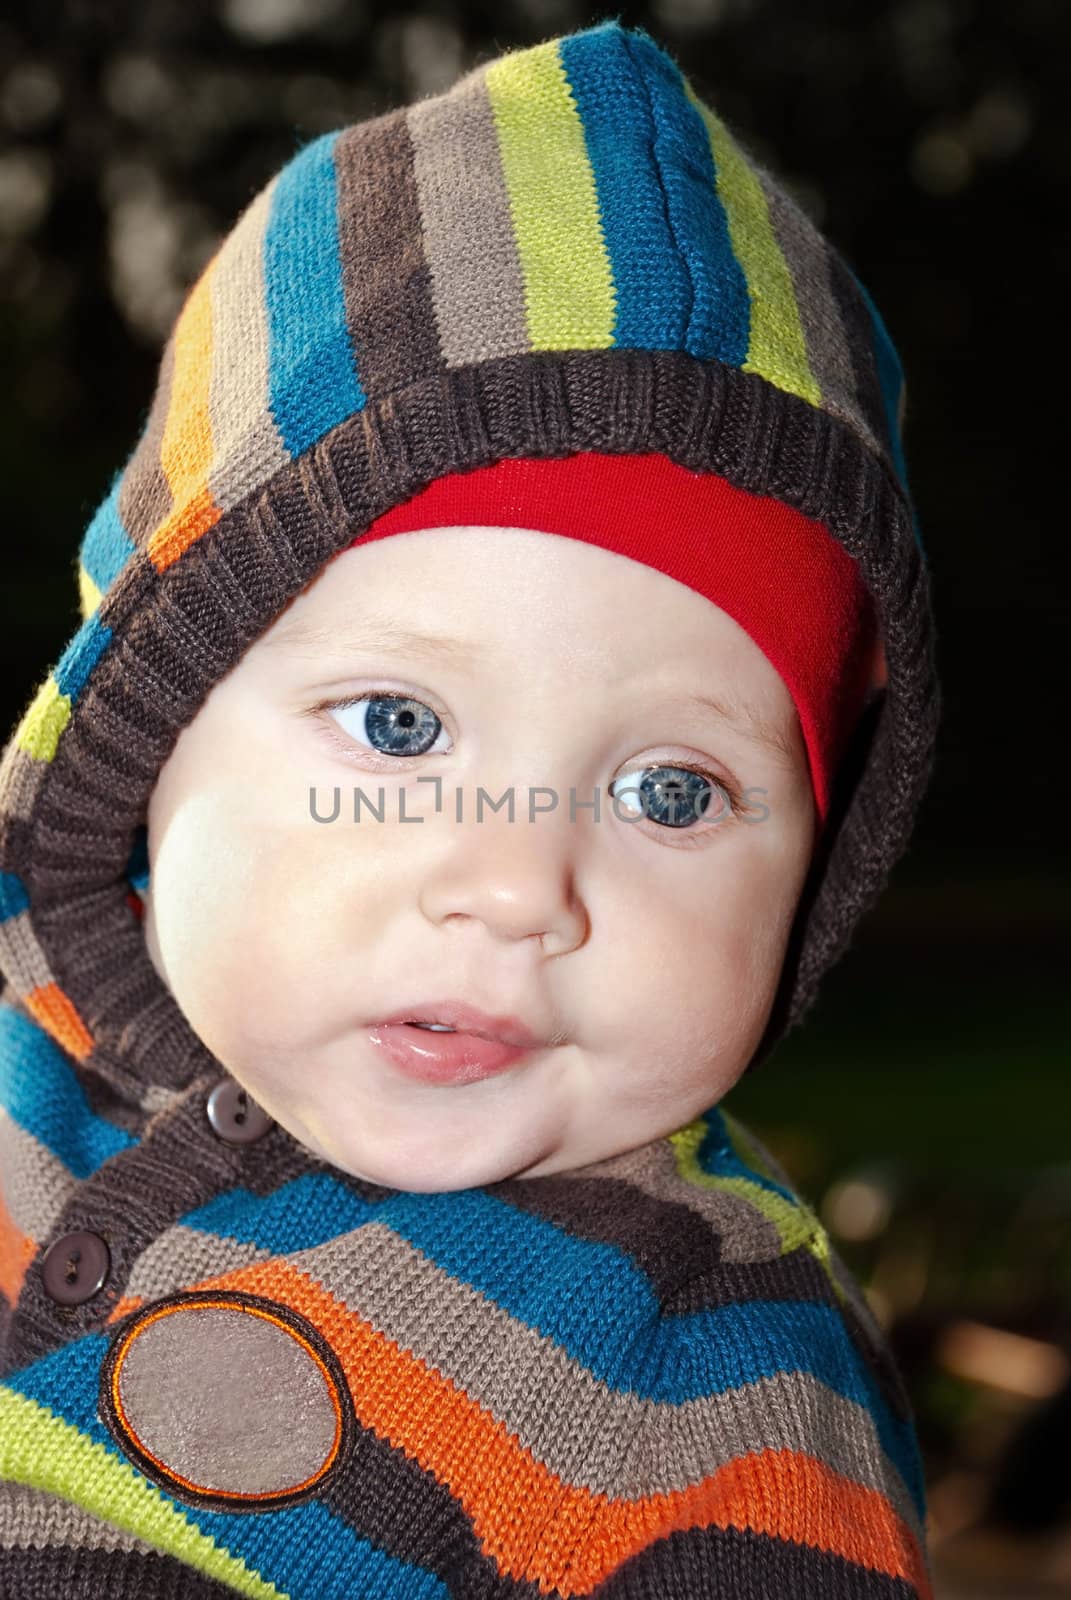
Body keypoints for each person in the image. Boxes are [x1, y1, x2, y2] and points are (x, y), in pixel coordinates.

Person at [0, 17, 940, 1598]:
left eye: (670, 788)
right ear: (142, 732)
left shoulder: (728, 1396)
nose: (518, 887)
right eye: (396, 723)